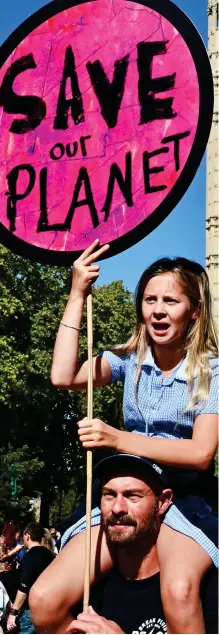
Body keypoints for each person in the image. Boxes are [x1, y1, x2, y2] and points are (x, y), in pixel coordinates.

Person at [35, 240, 218, 634]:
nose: (158, 310)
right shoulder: (128, 360)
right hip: (124, 489)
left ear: (194, 311)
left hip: (183, 497)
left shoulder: (212, 372)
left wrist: (117, 439)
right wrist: (77, 292)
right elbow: (63, 376)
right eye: (149, 299)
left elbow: (202, 453)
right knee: (44, 599)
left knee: (180, 590)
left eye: (171, 300)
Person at [29, 454, 218, 634]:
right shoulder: (85, 591)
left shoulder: (204, 586)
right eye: (109, 495)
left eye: (133, 496)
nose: (118, 508)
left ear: (163, 502)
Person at [6, 523, 54, 634]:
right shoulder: (49, 554)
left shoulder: (31, 557)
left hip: (28, 611)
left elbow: (24, 587)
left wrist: (13, 613)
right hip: (46, 608)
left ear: (27, 535)